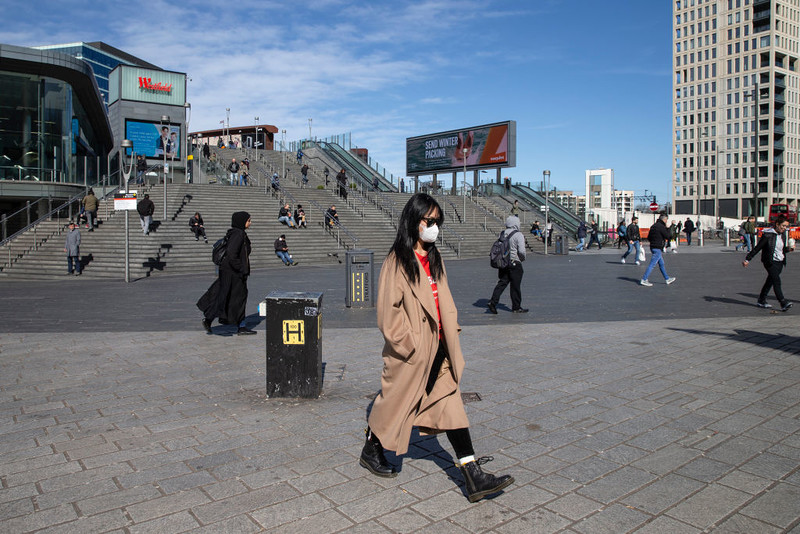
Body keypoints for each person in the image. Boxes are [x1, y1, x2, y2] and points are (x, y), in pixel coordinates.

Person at [361, 193, 514, 503]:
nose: (434, 227)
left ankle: (473, 477)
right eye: (429, 221)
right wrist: (410, 344)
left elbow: (443, 299)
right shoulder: (397, 261)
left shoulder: (435, 256)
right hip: (411, 354)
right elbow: (387, 314)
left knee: (451, 404)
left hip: (440, 349)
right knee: (394, 406)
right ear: (414, 221)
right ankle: (372, 447)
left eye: (437, 222)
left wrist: (451, 332)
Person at [197, 211, 256, 335]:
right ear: (242, 221)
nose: (250, 223)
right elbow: (231, 254)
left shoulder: (235, 233)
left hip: (228, 271)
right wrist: (240, 268)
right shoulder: (239, 234)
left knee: (223, 296)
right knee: (239, 298)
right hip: (234, 273)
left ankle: (209, 319)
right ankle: (241, 326)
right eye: (248, 220)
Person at [743, 215, 794, 311]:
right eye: (783, 226)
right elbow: (757, 248)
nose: (784, 228)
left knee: (770, 281)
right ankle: (783, 303)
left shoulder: (782, 235)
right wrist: (747, 259)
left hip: (780, 262)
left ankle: (761, 300)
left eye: (786, 226)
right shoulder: (768, 235)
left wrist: (788, 249)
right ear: (777, 224)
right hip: (770, 261)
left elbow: (781, 249)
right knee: (777, 281)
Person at [487, 215, 528, 314]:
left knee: (502, 283)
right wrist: (522, 259)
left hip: (504, 263)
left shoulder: (502, 233)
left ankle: (493, 302)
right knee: (515, 286)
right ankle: (516, 307)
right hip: (515, 263)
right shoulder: (518, 235)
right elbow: (522, 251)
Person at [640, 213, 676, 286]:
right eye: (666, 220)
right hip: (657, 247)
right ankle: (644, 279)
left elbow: (649, 237)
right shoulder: (661, 227)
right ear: (664, 219)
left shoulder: (653, 226)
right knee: (652, 264)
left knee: (661, 264)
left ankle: (667, 278)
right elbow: (668, 236)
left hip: (653, 246)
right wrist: (668, 229)